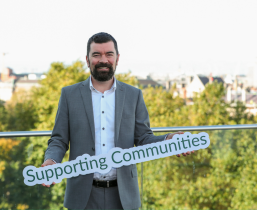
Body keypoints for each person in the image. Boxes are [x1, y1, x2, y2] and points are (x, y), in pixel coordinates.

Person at [42, 32, 193, 210]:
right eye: (96, 55)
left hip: (124, 196)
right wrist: (51, 160)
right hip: (82, 196)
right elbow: (59, 139)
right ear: (87, 59)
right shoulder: (69, 95)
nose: (103, 59)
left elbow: (143, 138)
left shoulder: (133, 95)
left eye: (109, 54)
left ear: (117, 58)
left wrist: (168, 140)